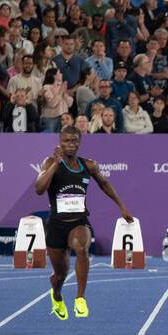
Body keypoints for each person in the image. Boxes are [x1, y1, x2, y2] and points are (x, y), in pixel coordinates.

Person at [33, 126, 134, 320]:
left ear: (79, 143)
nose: (70, 145)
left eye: (74, 141)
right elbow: (39, 188)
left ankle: (80, 298)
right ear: (59, 142)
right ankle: (57, 295)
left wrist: (122, 206)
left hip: (79, 221)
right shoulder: (49, 162)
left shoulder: (88, 165)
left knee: (81, 248)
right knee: (60, 275)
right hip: (55, 224)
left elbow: (104, 183)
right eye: (66, 141)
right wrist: (55, 164)